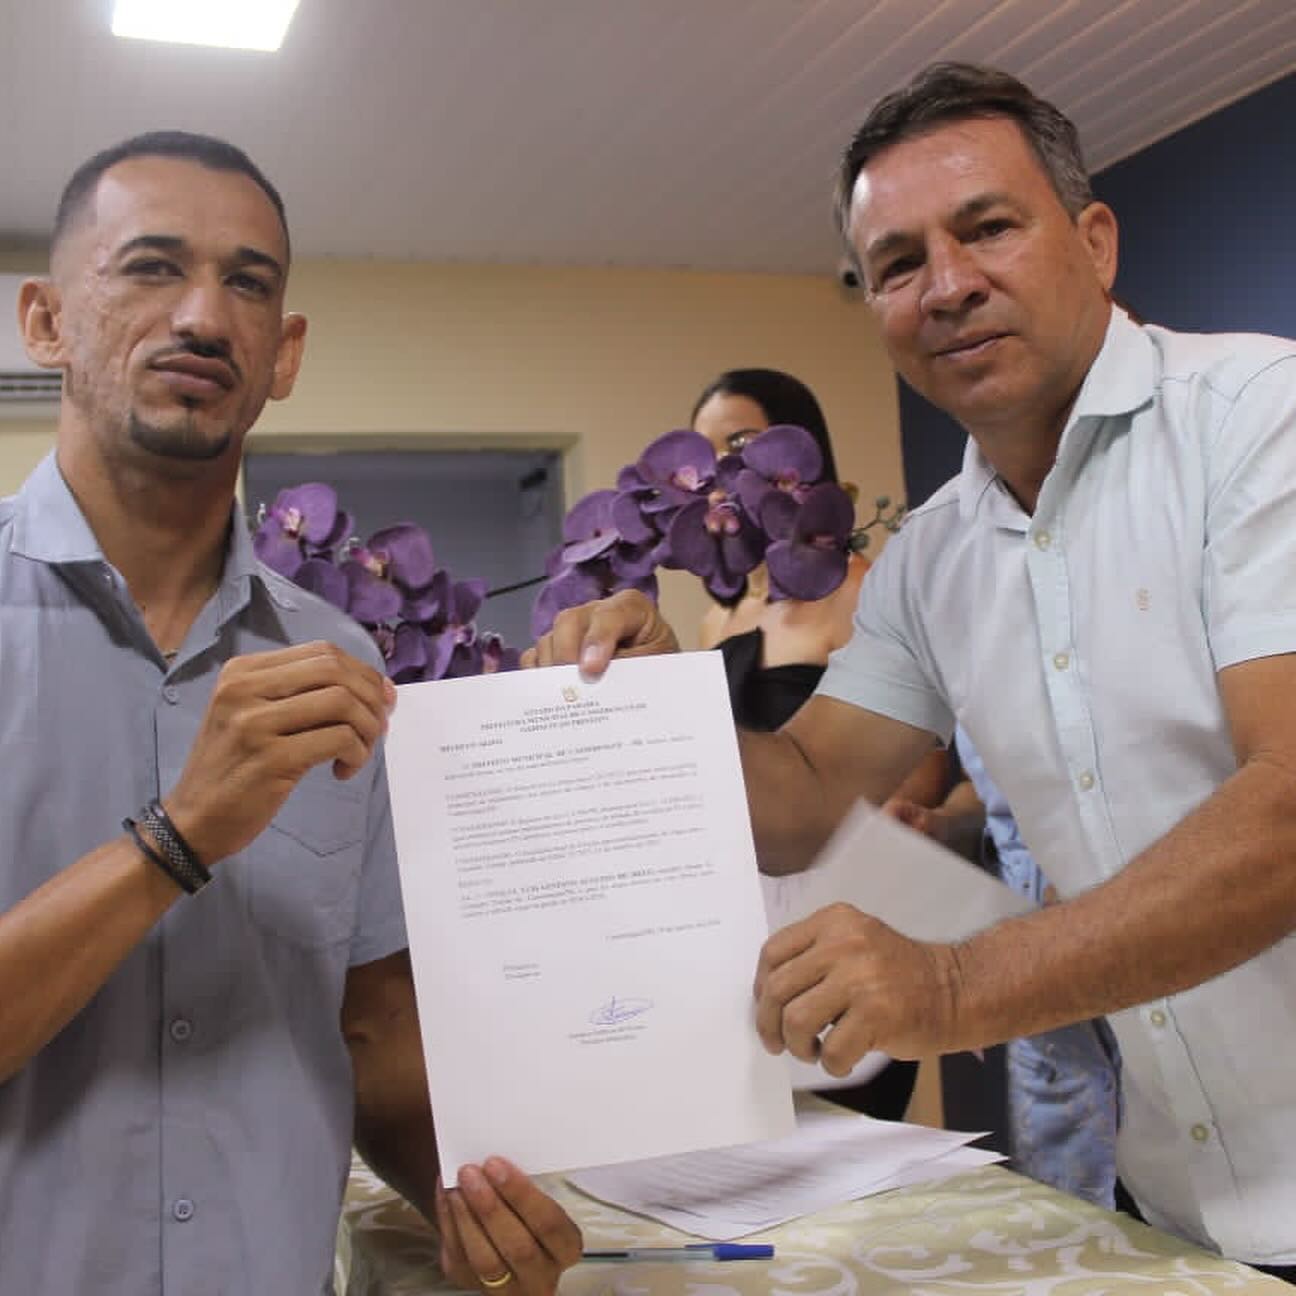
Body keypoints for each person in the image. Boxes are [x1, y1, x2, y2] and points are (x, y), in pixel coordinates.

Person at [530, 62, 1296, 1277]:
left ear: (1095, 242)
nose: (947, 285)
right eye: (897, 263)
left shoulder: (1261, 417)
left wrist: (946, 988)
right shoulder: (933, 556)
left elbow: (1287, 807)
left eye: (988, 227)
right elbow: (800, 797)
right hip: (1179, 1207)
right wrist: (642, 704)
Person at [0, 131, 579, 1295]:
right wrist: (177, 839)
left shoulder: (341, 660)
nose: (204, 316)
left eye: (248, 283)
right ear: (46, 322)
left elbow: (369, 1026)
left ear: (286, 353)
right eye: (152, 267)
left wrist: (467, 1196)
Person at [692, 367, 920, 1121]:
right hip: (741, 927)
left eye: (741, 446)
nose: (721, 472)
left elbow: (914, 778)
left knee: (849, 1126)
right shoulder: (719, 618)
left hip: (844, 916)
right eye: (704, 455)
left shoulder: (860, 591)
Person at [890, 733, 1121, 1208]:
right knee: (1069, 1215)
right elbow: (990, 793)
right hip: (1035, 1007)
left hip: (1162, 968)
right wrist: (948, 823)